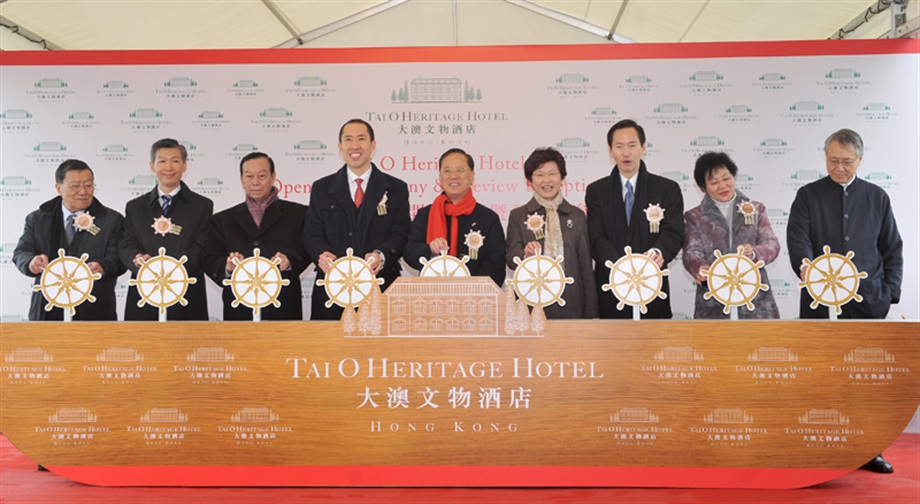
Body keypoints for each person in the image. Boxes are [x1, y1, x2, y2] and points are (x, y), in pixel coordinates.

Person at [787, 128, 903, 474]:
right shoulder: (807, 195)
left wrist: (890, 293)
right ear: (825, 158)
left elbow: (892, 249)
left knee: (864, 382)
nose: (839, 167)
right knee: (821, 378)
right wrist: (807, 268)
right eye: (833, 160)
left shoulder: (877, 197)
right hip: (820, 302)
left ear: (860, 160)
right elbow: (798, 239)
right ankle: (820, 447)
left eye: (846, 162)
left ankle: (869, 450)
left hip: (867, 304)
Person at [303, 119, 410, 320]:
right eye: (348, 139)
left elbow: (401, 233)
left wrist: (382, 254)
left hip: (381, 287)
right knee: (330, 350)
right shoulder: (322, 188)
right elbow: (311, 233)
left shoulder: (396, 188)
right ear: (340, 147)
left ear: (373, 145)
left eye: (361, 139)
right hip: (332, 289)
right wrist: (320, 254)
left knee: (382, 351)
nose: (355, 146)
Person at [585, 119, 685, 318]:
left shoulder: (667, 188)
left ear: (643, 147)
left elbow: (673, 232)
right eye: (619, 146)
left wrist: (656, 253)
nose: (626, 153)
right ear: (610, 150)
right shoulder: (597, 191)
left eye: (632, 145)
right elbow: (596, 238)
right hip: (612, 286)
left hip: (652, 284)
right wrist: (623, 270)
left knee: (654, 346)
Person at [13, 159, 126, 321]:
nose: (83, 192)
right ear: (58, 188)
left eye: (88, 185)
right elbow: (21, 252)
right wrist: (31, 261)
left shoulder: (111, 220)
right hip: (48, 308)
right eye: (75, 186)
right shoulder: (38, 219)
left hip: (95, 309)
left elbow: (119, 258)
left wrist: (103, 266)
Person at [203, 152, 309, 320]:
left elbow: (306, 248)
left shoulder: (298, 213)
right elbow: (209, 258)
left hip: (283, 306)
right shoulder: (222, 220)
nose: (255, 182)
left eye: (262, 176)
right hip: (239, 308)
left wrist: (289, 260)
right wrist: (227, 267)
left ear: (273, 177)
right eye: (249, 176)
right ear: (241, 179)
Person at [119, 138, 214, 320]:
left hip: (186, 293)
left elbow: (203, 245)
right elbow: (126, 244)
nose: (168, 167)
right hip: (144, 292)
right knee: (143, 347)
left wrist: (174, 271)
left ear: (184, 166)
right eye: (162, 161)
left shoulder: (201, 206)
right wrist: (137, 259)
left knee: (187, 346)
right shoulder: (135, 207)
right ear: (152, 166)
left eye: (175, 161)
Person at [682, 152, 780, 319]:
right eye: (714, 182)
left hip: (755, 299)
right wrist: (701, 268)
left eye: (727, 179)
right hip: (714, 300)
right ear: (703, 188)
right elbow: (692, 252)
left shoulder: (756, 209)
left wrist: (754, 252)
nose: (723, 186)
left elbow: (771, 244)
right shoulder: (694, 216)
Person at [505, 147, 597, 318]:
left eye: (552, 174)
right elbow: (511, 257)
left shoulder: (576, 216)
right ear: (530, 181)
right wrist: (524, 254)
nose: (546, 180)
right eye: (539, 175)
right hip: (531, 302)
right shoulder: (518, 215)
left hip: (572, 304)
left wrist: (592, 313)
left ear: (562, 178)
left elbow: (586, 267)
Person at [404, 148, 506, 287]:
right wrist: (430, 251)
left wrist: (470, 291)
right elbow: (409, 252)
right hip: (431, 296)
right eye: (447, 171)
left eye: (460, 170)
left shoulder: (488, 218)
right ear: (440, 178)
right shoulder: (425, 215)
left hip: (475, 299)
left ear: (472, 176)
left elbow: (496, 266)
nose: (453, 176)